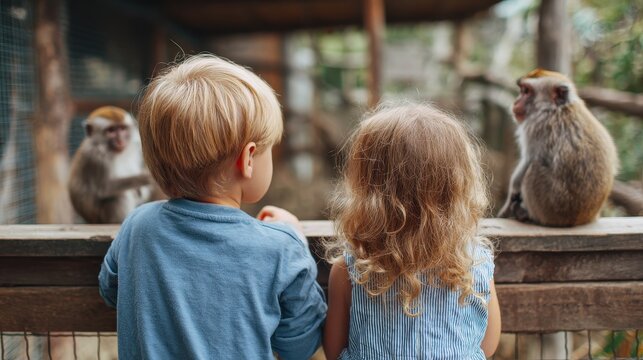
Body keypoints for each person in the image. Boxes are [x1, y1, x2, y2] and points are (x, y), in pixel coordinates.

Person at [98, 54, 326, 360]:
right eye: (269, 150)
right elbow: (301, 346)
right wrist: (295, 239)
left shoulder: (138, 225)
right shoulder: (280, 249)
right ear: (247, 159)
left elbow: (110, 290)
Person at [323, 103, 501, 360]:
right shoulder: (474, 265)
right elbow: (487, 343)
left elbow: (333, 350)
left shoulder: (351, 270)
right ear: (456, 188)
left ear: (368, 189)